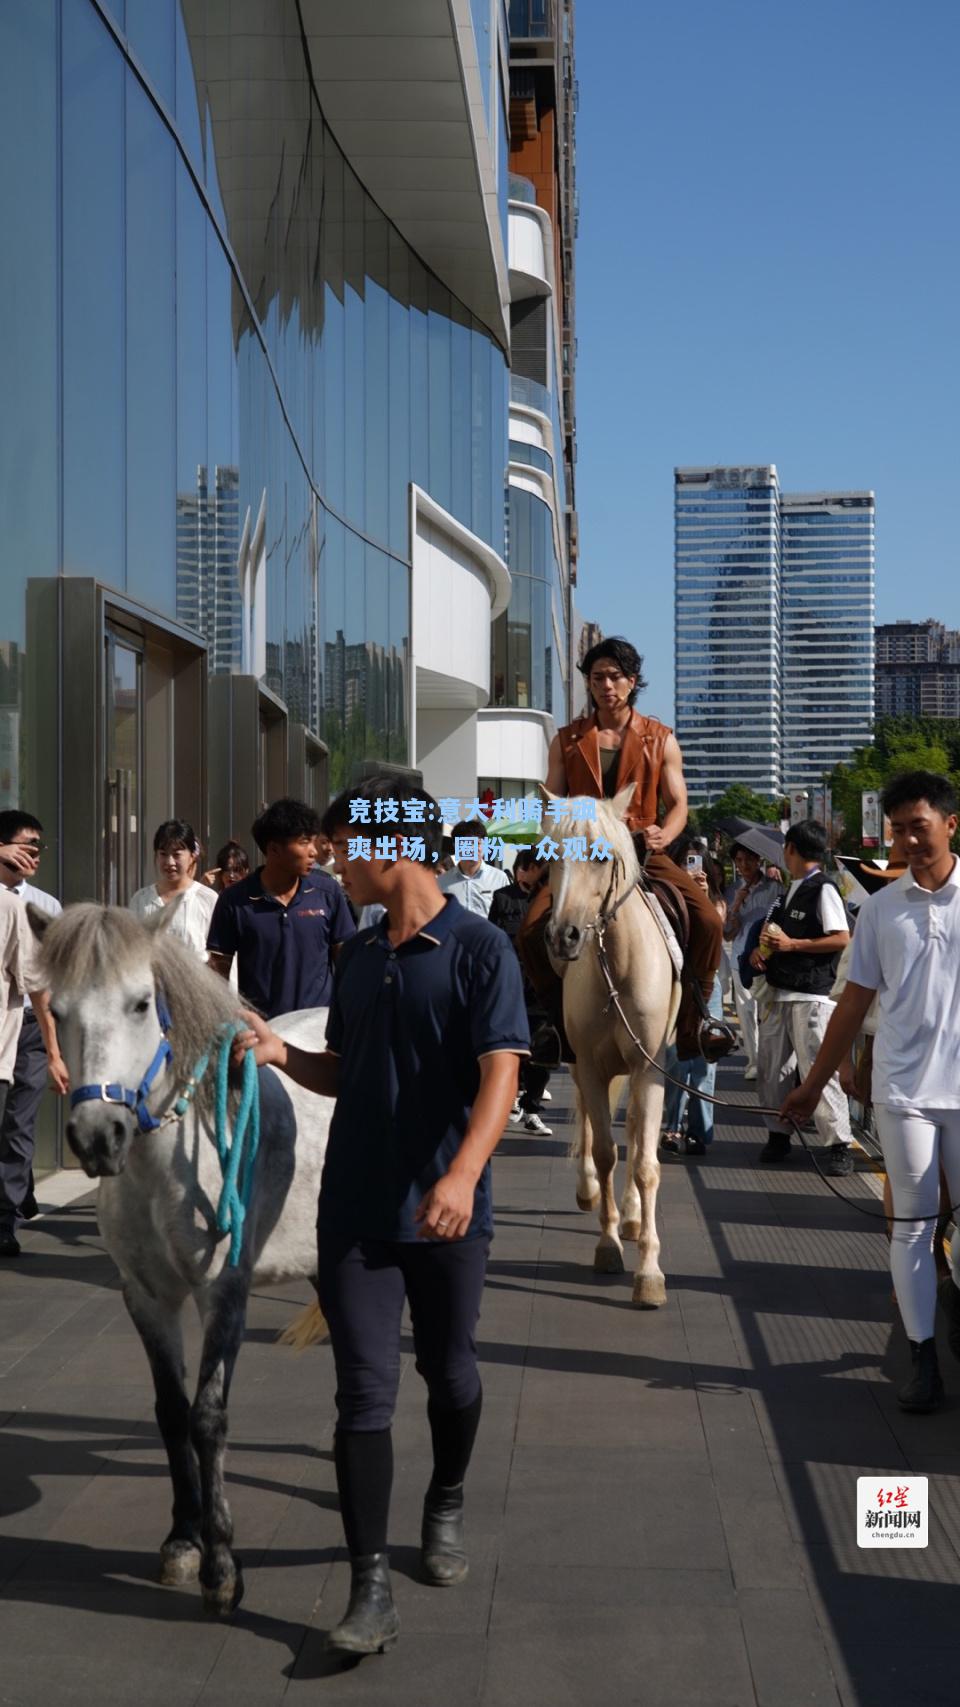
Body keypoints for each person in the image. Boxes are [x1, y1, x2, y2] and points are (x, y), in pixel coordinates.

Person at [234, 775, 529, 1655]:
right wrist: (284, 1052)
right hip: (355, 1212)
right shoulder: (358, 955)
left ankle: (444, 1499)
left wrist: (464, 1176)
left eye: (340, 847)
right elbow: (346, 1069)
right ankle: (368, 1587)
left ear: (386, 844)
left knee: (451, 1376)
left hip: (445, 1211)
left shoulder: (480, 948)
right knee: (361, 1394)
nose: (331, 864)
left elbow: (501, 1072)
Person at [782, 772, 960, 1412]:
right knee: (912, 1227)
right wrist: (812, 1085)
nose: (910, 840)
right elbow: (853, 1005)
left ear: (949, 824)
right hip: (905, 1092)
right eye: (900, 830)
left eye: (920, 826)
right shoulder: (880, 910)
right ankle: (922, 1358)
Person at [524, 635, 733, 1062]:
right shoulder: (565, 741)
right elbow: (554, 803)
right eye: (597, 677)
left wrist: (665, 834)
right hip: (583, 855)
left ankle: (697, 1023)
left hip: (643, 851)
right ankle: (554, 1025)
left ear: (632, 681)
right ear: (588, 683)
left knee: (709, 920)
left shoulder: (661, 738)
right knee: (529, 932)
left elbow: (679, 806)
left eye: (615, 677)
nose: (606, 685)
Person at [752, 820, 854, 1176]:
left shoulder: (823, 888)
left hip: (811, 993)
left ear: (791, 849)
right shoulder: (790, 890)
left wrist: (793, 945)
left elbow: (842, 937)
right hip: (779, 990)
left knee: (816, 1069)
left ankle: (839, 1143)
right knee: (771, 1070)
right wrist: (762, 952)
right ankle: (778, 1134)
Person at [207, 797, 355, 1017]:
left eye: (313, 841)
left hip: (318, 1033)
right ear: (274, 850)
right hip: (261, 1034)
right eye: (304, 842)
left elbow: (347, 963)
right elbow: (218, 974)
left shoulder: (328, 892)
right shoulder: (234, 901)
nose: (314, 851)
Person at [0, 814, 68, 1258]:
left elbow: (46, 984)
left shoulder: (45, 905)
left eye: (40, 847)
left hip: (26, 1026)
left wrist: (53, 1048)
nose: (34, 854)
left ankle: (5, 1217)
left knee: (19, 1125)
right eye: (26, 845)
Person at [661, 843, 727, 1156]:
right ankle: (671, 1128)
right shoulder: (664, 898)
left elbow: (717, 927)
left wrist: (701, 896)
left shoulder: (714, 900)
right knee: (675, 1061)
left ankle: (700, 1131)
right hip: (672, 988)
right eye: (683, 863)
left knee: (704, 1063)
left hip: (706, 989)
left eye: (696, 863)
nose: (690, 869)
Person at [489, 850, 553, 1135]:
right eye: (531, 868)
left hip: (542, 989)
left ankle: (531, 1108)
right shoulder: (503, 898)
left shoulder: (552, 900)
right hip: (511, 987)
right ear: (520, 870)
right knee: (513, 1047)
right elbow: (494, 940)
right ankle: (515, 1097)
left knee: (544, 1051)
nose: (534, 872)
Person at [723, 843, 783, 1080]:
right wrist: (736, 904)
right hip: (741, 958)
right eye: (739, 860)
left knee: (769, 1012)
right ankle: (754, 1061)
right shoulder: (732, 890)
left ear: (758, 859)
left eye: (749, 859)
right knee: (746, 1012)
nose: (744, 865)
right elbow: (727, 933)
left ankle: (771, 1060)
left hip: (769, 958)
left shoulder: (776, 889)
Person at [129, 820, 218, 956]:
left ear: (192, 855)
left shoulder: (208, 899)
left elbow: (219, 956)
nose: (170, 862)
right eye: (163, 854)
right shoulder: (141, 899)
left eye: (177, 855)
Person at [438, 820, 510, 917]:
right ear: (456, 846)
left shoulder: (499, 878)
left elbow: (507, 915)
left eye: (478, 843)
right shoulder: (442, 882)